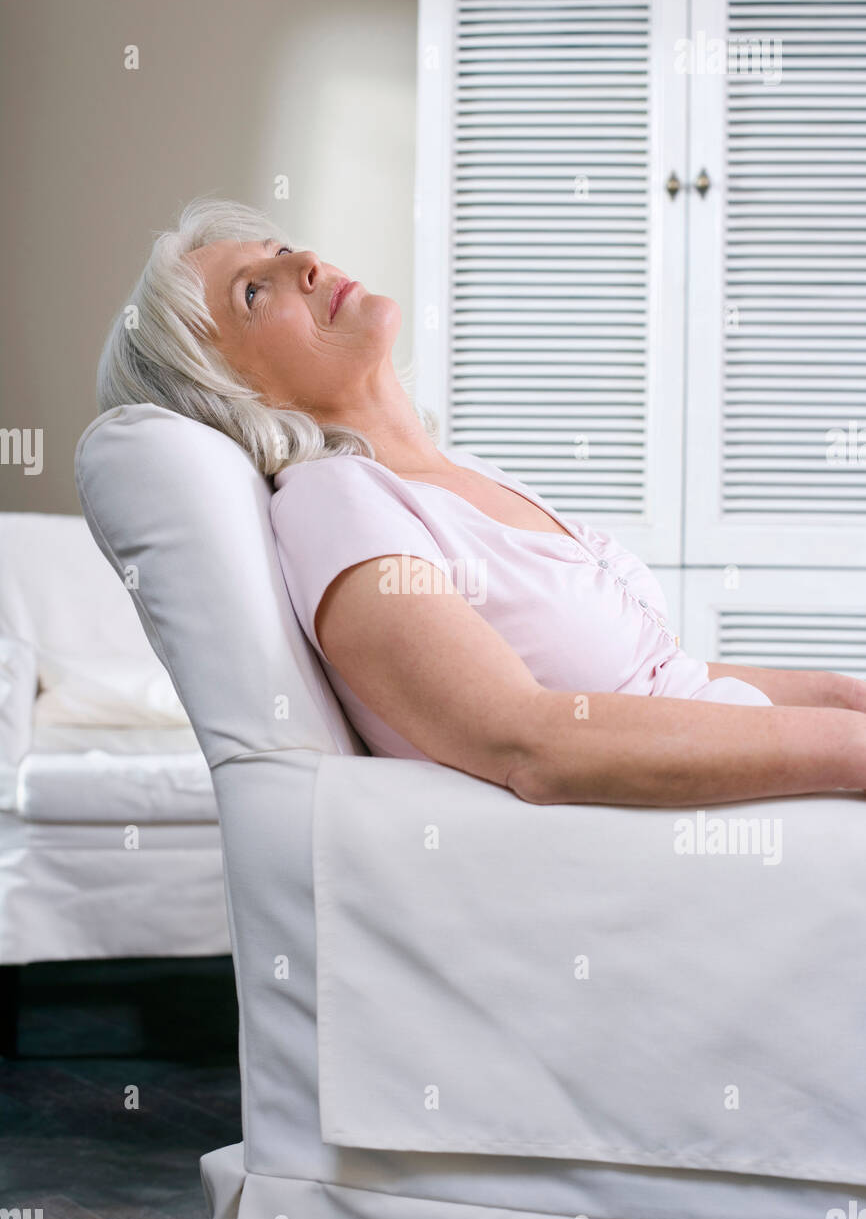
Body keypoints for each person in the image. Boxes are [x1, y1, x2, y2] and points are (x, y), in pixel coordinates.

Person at [97, 198, 866, 806]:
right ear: (228, 392)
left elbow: (664, 679)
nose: (302, 259)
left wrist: (841, 697)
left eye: (277, 249)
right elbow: (525, 742)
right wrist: (850, 751)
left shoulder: (453, 471)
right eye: (254, 293)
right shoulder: (335, 503)